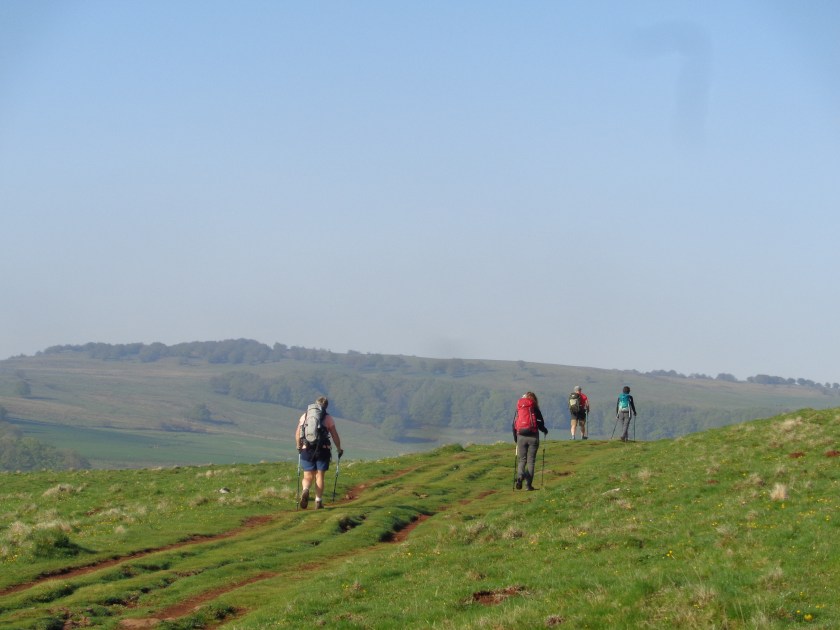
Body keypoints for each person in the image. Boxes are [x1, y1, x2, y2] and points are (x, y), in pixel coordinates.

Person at [295, 396, 343, 509]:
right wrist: (339, 448)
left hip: (307, 448)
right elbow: (334, 435)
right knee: (319, 476)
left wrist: (298, 446)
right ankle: (318, 502)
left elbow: (298, 433)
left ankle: (305, 489)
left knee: (307, 475)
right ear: (326, 406)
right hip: (323, 449)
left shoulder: (305, 416)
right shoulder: (328, 418)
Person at [511, 391, 548, 490]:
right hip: (533, 436)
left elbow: (514, 424)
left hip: (521, 436)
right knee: (531, 461)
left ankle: (520, 476)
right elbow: (540, 423)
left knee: (522, 460)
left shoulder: (519, 408)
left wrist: (516, 438)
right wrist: (545, 430)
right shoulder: (535, 408)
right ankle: (528, 485)